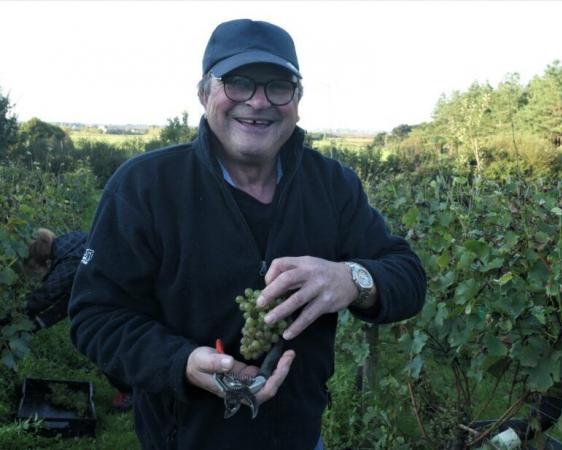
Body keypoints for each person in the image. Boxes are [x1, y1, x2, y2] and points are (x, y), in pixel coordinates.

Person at [69, 18, 426, 450]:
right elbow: (95, 317)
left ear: (297, 100)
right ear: (204, 94)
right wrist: (180, 362)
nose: (259, 101)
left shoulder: (332, 185)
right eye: (238, 83)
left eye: (279, 86)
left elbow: (408, 275)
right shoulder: (145, 186)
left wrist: (352, 279)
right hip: (186, 439)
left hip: (300, 437)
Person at [16, 228, 135, 411]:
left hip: (117, 293)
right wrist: (40, 322)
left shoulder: (68, 263)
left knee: (95, 339)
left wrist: (15, 314)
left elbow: (47, 294)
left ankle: (130, 392)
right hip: (122, 281)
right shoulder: (70, 241)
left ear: (40, 259)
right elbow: (71, 295)